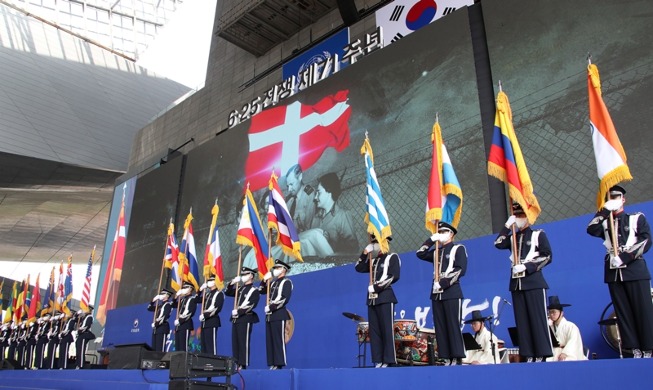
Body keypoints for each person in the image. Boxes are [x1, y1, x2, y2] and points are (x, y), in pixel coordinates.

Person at [587, 184, 653, 358]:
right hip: (614, 273)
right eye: (610, 198)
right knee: (623, 313)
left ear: (623, 199)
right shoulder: (605, 223)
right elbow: (591, 228)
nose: (613, 200)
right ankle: (634, 348)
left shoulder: (636, 218)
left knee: (642, 310)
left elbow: (646, 241)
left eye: (616, 197)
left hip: (634, 270)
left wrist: (625, 257)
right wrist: (603, 211)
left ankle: (648, 347)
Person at [494, 202, 553, 362]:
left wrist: (527, 267)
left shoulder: (538, 234)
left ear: (528, 217)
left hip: (533, 282)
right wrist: (507, 226)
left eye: (520, 216)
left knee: (537, 319)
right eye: (516, 215)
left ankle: (541, 354)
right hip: (517, 284)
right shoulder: (513, 236)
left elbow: (547, 256)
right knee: (522, 321)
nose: (518, 219)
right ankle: (527, 354)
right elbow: (498, 243)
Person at [416, 221, 467, 366]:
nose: (441, 234)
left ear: (451, 234)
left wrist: (444, 282)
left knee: (452, 324)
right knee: (440, 326)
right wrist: (431, 240)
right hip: (437, 294)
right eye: (440, 232)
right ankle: (445, 357)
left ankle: (456, 357)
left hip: (451, 291)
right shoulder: (436, 252)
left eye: (444, 232)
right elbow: (420, 253)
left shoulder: (458, 249)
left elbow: (460, 270)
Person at [355, 234, 400, 368]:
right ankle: (378, 359)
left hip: (385, 296)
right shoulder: (373, 260)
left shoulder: (392, 257)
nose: (375, 244)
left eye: (377, 242)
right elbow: (358, 267)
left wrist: (376, 287)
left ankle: (388, 359)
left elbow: (394, 276)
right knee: (374, 331)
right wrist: (365, 252)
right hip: (372, 299)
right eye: (373, 242)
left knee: (386, 329)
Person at [311, 172, 359, 254]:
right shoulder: (316, 218)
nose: (315, 197)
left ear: (329, 191)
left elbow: (353, 248)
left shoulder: (342, 216)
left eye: (319, 193)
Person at [261, 259, 293, 370]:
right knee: (270, 340)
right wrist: (264, 281)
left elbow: (284, 298)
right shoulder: (273, 282)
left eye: (278, 268)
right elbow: (262, 291)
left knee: (278, 339)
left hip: (279, 313)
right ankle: (272, 362)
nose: (275, 270)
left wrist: (272, 307)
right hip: (270, 315)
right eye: (275, 268)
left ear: (284, 270)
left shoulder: (287, 282)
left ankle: (279, 363)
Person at [225, 267, 260, 369]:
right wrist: (232, 283)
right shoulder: (239, 289)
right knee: (235, 342)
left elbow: (251, 305)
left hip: (245, 318)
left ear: (251, 276)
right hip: (236, 319)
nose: (243, 276)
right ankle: (236, 363)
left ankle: (243, 364)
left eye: (245, 274)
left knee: (243, 341)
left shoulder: (254, 290)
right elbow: (227, 292)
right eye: (243, 274)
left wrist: (239, 311)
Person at [546, 296, 587, 361]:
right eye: (550, 312)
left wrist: (565, 352)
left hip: (567, 354)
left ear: (561, 313)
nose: (551, 314)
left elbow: (574, 340)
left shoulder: (570, 326)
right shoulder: (550, 327)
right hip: (555, 353)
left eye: (554, 312)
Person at [285, 164, 316, 231]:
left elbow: (309, 227)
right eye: (288, 186)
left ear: (300, 177)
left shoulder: (309, 193)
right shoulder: (289, 199)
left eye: (291, 184)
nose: (289, 189)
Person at [199, 276, 225, 355]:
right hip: (204, 323)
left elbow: (217, 308)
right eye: (208, 280)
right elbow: (196, 300)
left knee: (211, 345)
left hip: (212, 321)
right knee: (204, 345)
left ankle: (212, 364)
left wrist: (205, 315)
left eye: (211, 280)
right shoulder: (207, 294)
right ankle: (204, 363)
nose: (209, 282)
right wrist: (199, 291)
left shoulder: (219, 293)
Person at [147, 287, 174, 352]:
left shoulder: (168, 305)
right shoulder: (159, 306)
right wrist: (153, 300)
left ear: (167, 296)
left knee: (160, 349)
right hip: (156, 328)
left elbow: (164, 317)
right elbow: (149, 308)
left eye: (162, 294)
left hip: (162, 327)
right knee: (154, 348)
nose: (160, 296)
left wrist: (155, 324)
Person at [174, 281, 197, 352]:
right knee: (177, 347)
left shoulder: (192, 299)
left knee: (183, 347)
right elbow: (173, 305)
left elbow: (189, 312)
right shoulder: (182, 299)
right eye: (183, 288)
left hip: (185, 324)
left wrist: (180, 321)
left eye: (185, 287)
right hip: (178, 325)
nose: (183, 289)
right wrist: (176, 297)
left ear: (190, 289)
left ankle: (184, 362)